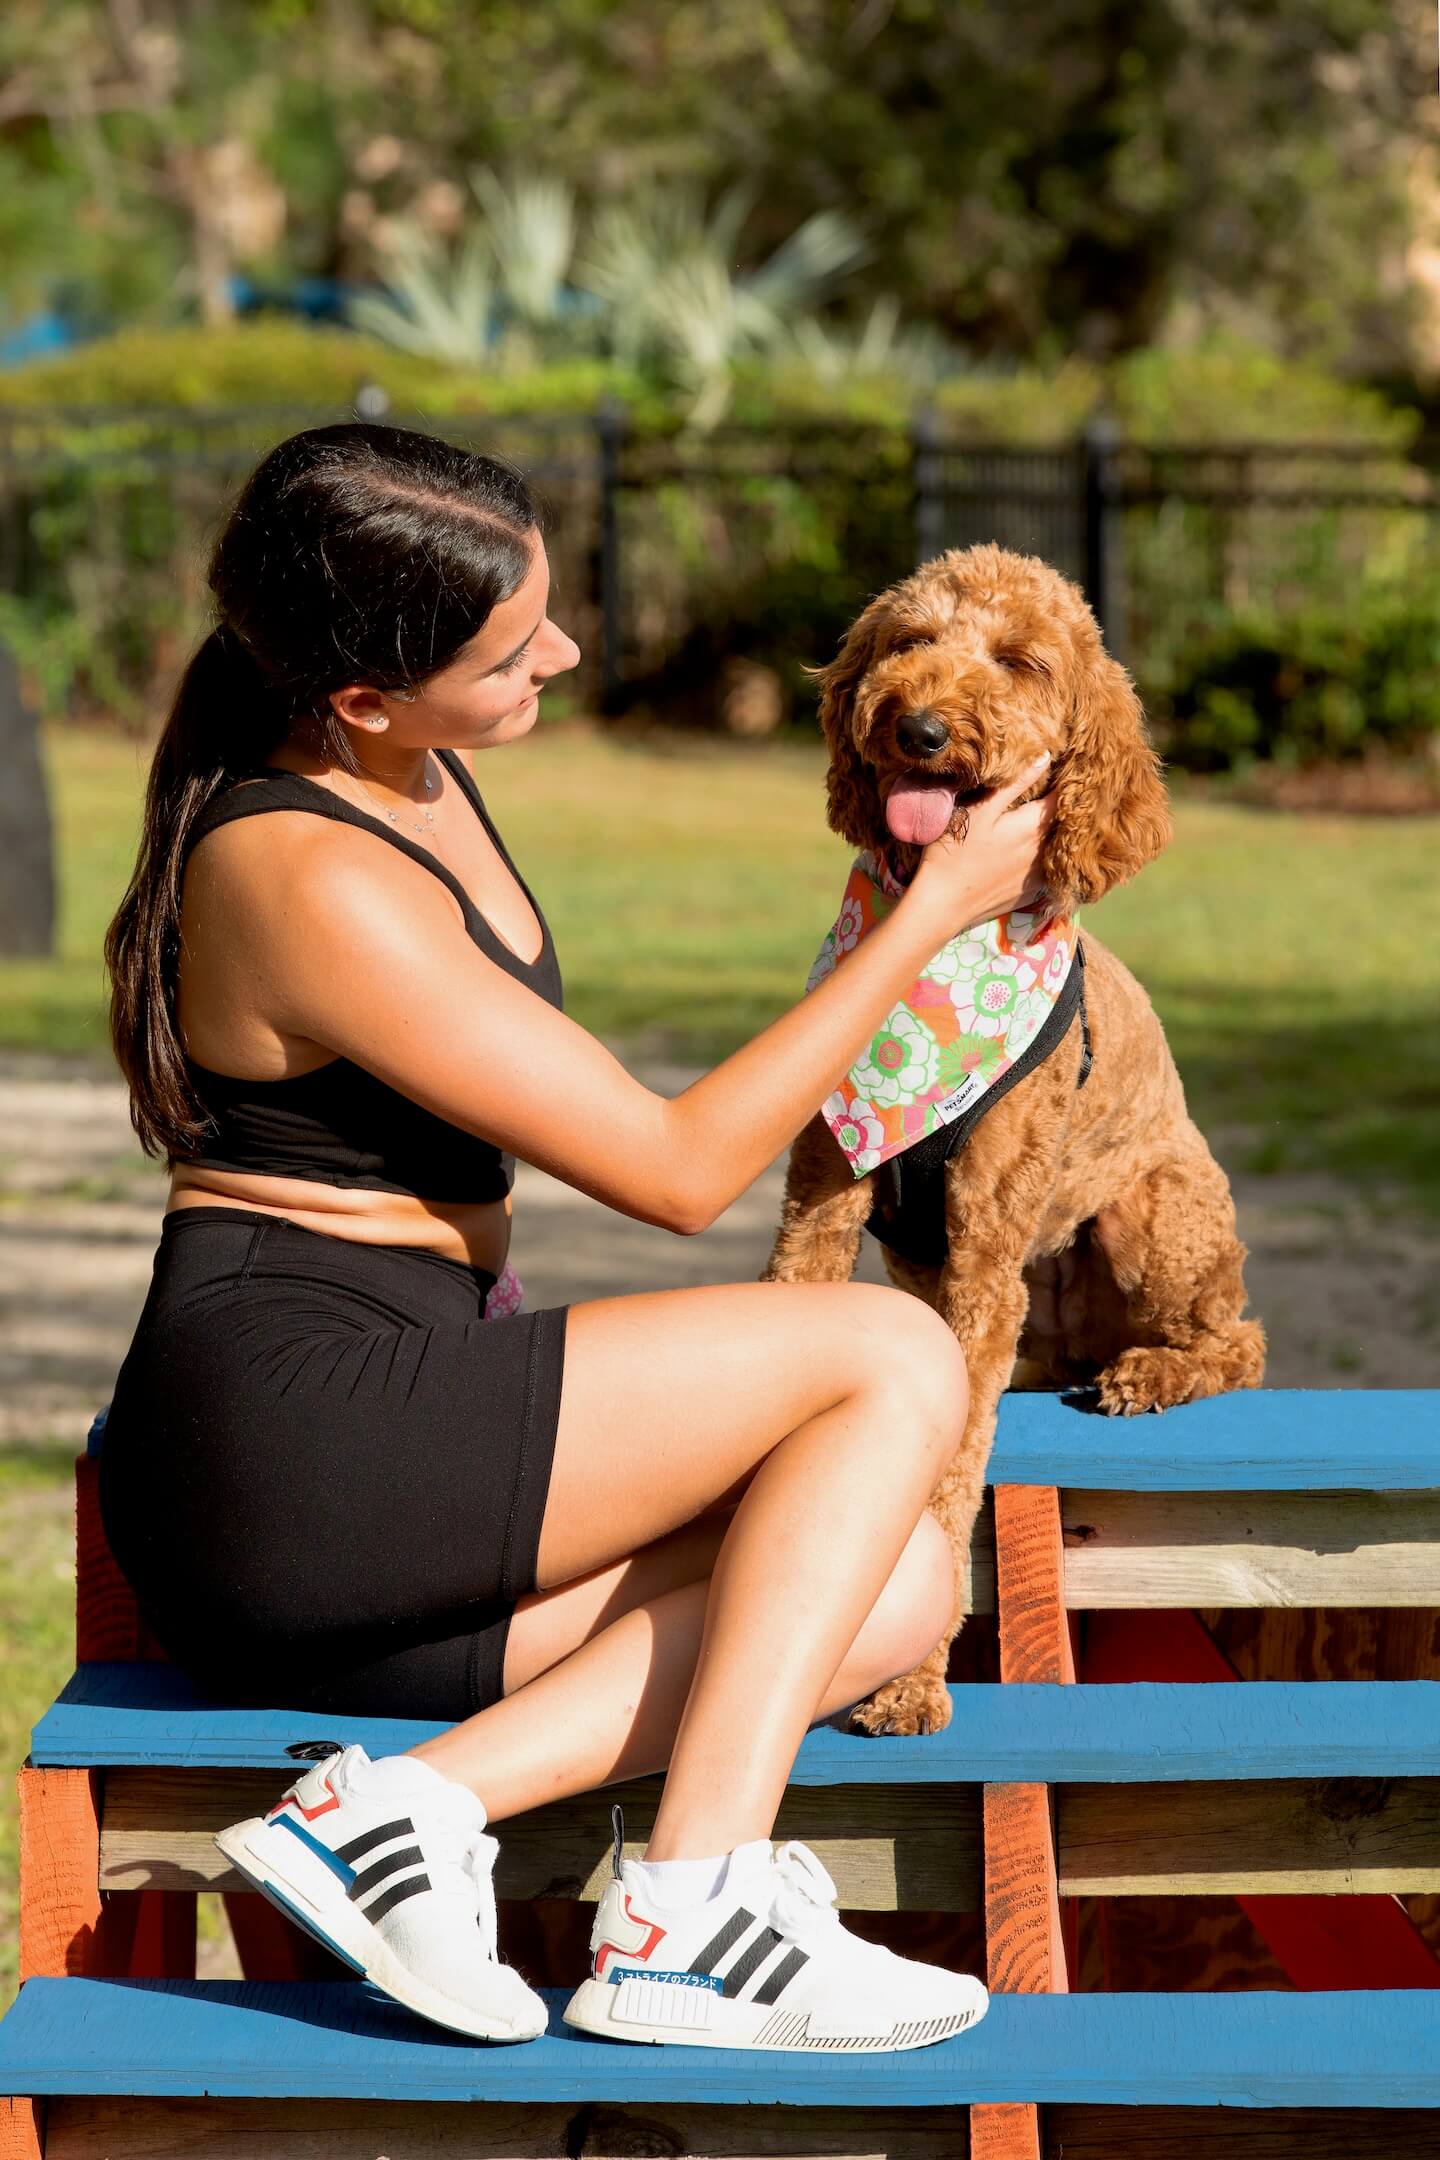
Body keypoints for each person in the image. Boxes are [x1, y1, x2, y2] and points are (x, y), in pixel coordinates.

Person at [100, 421, 1055, 2055]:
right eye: (512, 643)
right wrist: (930, 917)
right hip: (298, 1434)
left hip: (396, 1415)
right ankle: (694, 1911)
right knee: (886, 1349)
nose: (565, 648)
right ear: (360, 694)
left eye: (546, 604)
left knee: (889, 1585)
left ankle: (402, 1813)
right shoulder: (301, 867)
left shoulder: (409, 764)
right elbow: (679, 1169)